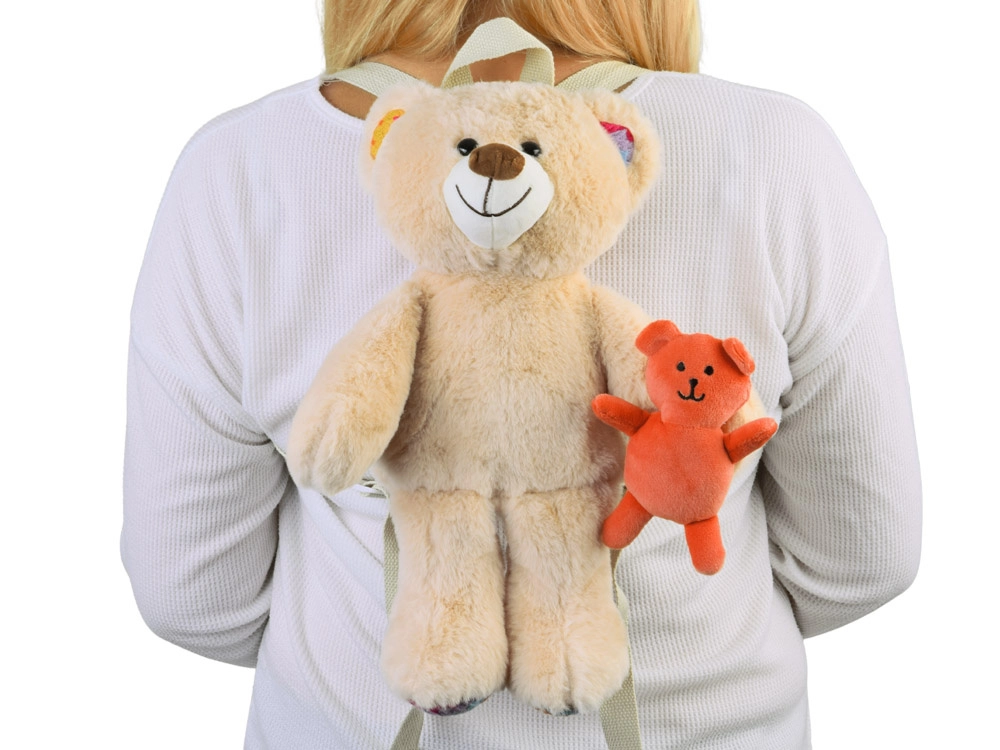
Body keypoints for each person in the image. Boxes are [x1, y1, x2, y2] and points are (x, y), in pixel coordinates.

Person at [121, 0, 922, 747]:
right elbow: (861, 557)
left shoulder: (238, 168)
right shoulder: (776, 148)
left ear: (621, 150)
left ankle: (453, 647)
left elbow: (193, 595)